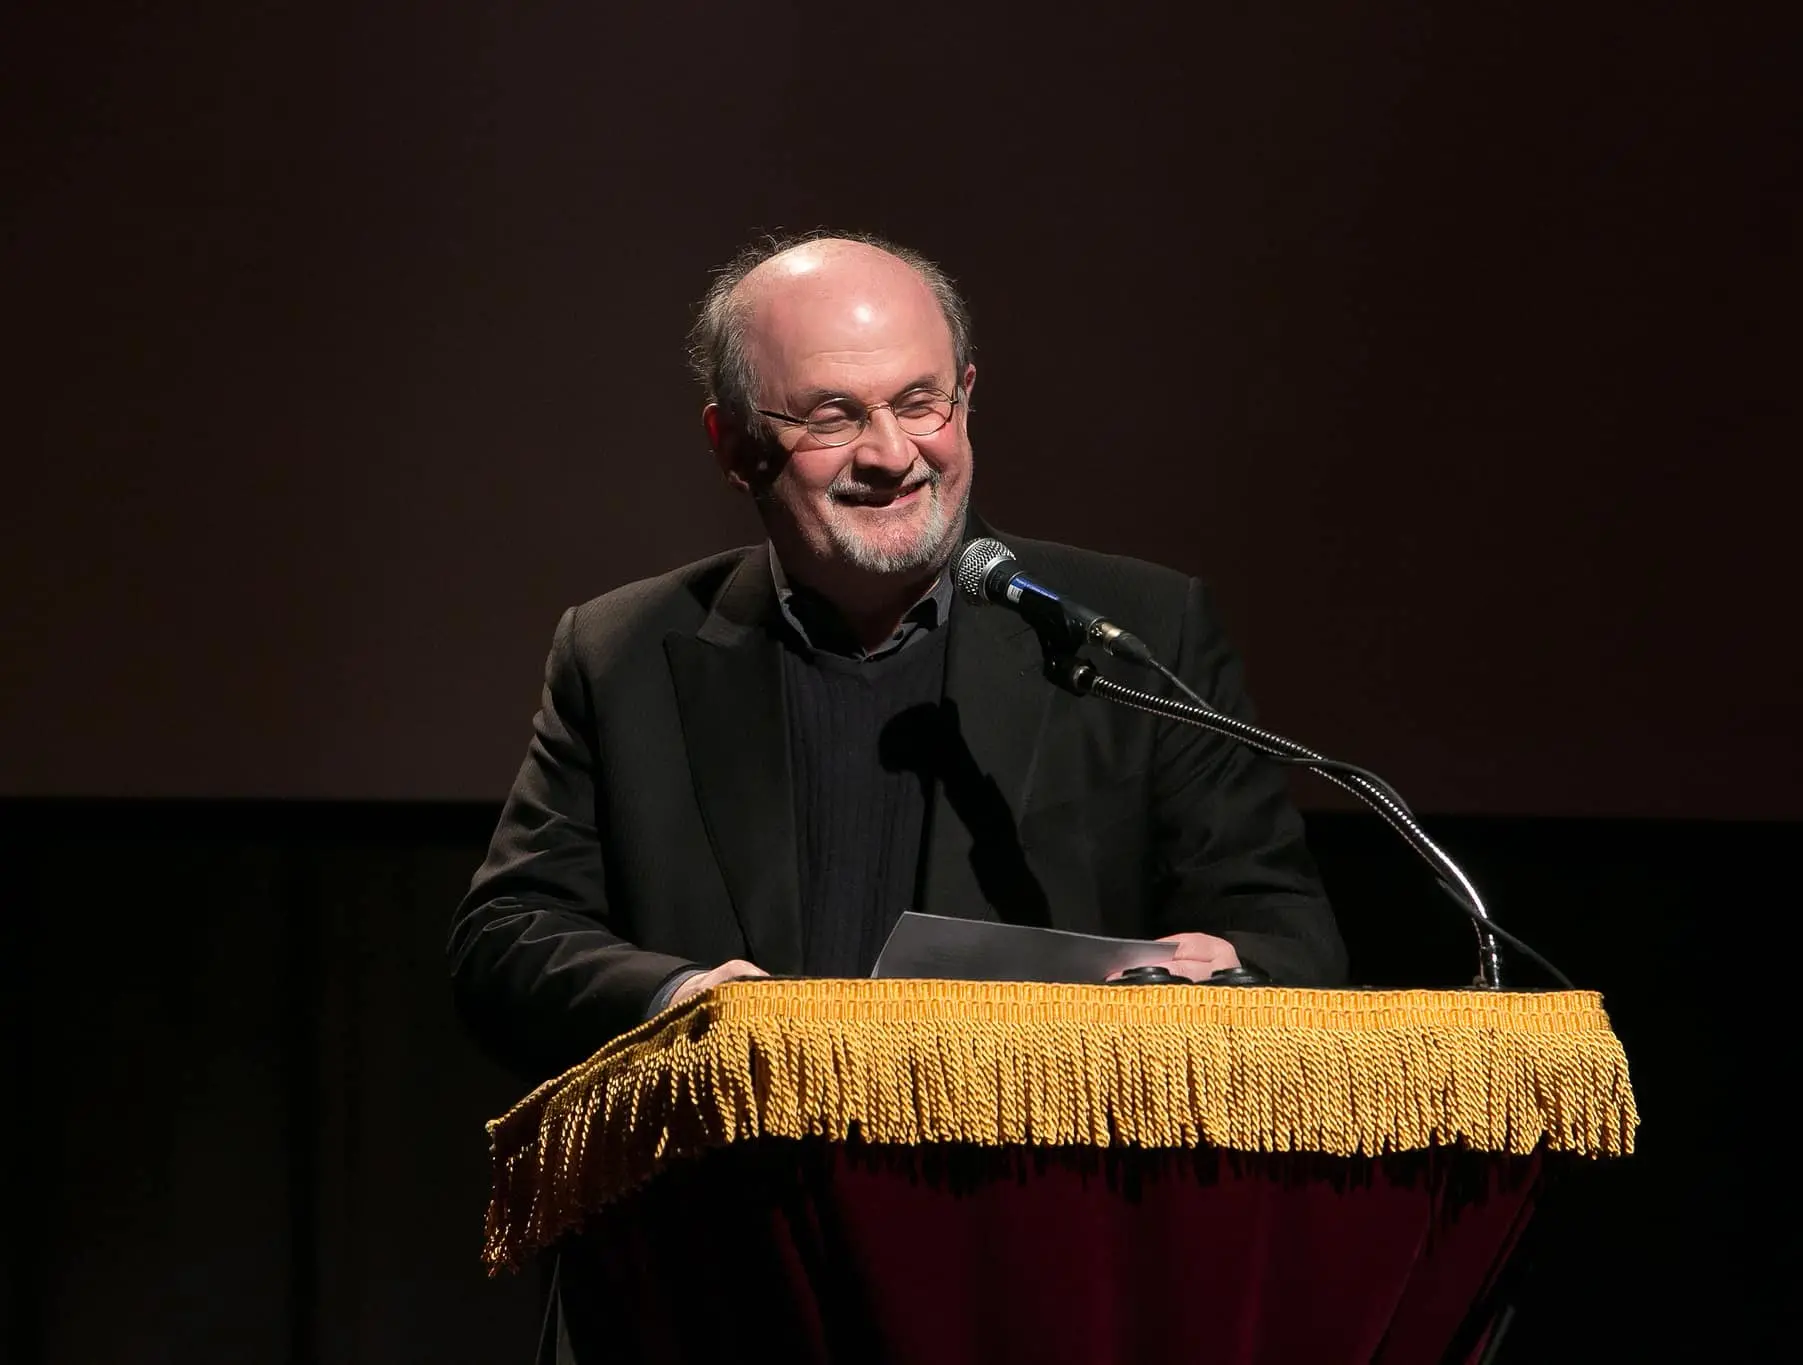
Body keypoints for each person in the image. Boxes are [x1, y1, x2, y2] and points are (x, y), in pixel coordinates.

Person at [449, 231, 1347, 1088]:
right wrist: (683, 1004)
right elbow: (507, 939)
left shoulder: (1136, 632)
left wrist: (1219, 980)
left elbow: (1289, 938)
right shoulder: (622, 654)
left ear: (966, 396)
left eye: (921, 403)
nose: (891, 454)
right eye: (833, 415)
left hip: (1039, 1219)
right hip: (729, 1220)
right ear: (733, 446)